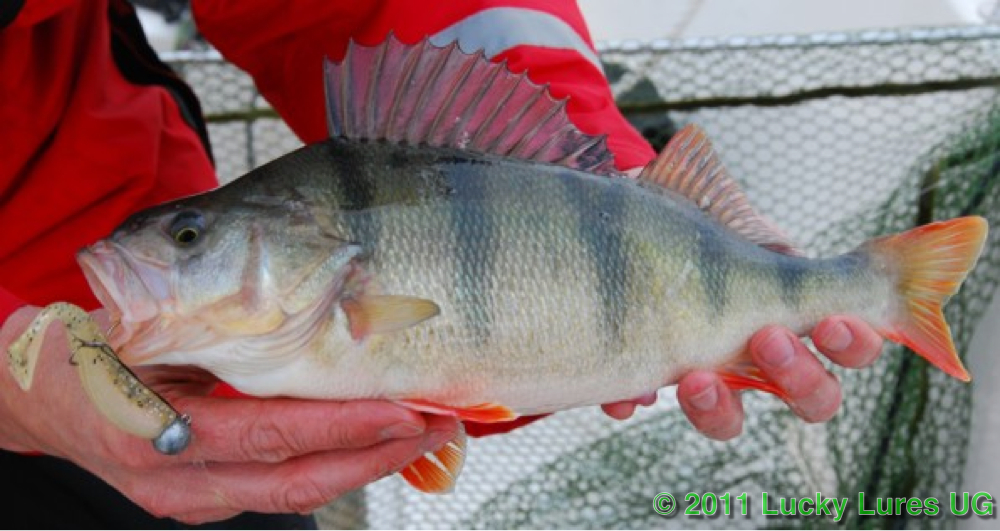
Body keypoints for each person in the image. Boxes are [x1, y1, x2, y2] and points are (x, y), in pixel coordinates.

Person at [0, 0, 885, 527]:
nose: (184, 246)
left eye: (193, 238)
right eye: (193, 241)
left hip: (76, 266)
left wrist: (600, 180)